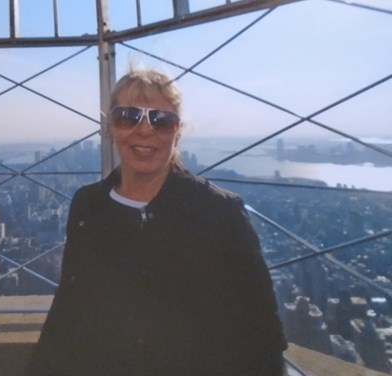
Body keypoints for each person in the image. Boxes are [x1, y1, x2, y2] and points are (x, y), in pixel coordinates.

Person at [26, 68, 288, 375]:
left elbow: (261, 335)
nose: (145, 130)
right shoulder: (88, 205)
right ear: (110, 127)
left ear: (177, 132)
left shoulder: (219, 213)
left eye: (161, 120)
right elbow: (68, 307)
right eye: (128, 116)